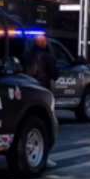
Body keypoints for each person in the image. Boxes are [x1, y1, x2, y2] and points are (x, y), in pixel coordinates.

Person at [21, 34, 58, 168]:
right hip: (43, 92)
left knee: (30, 126)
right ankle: (44, 155)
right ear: (44, 44)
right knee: (46, 125)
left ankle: (29, 154)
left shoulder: (25, 56)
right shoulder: (47, 57)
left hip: (28, 91)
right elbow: (55, 75)